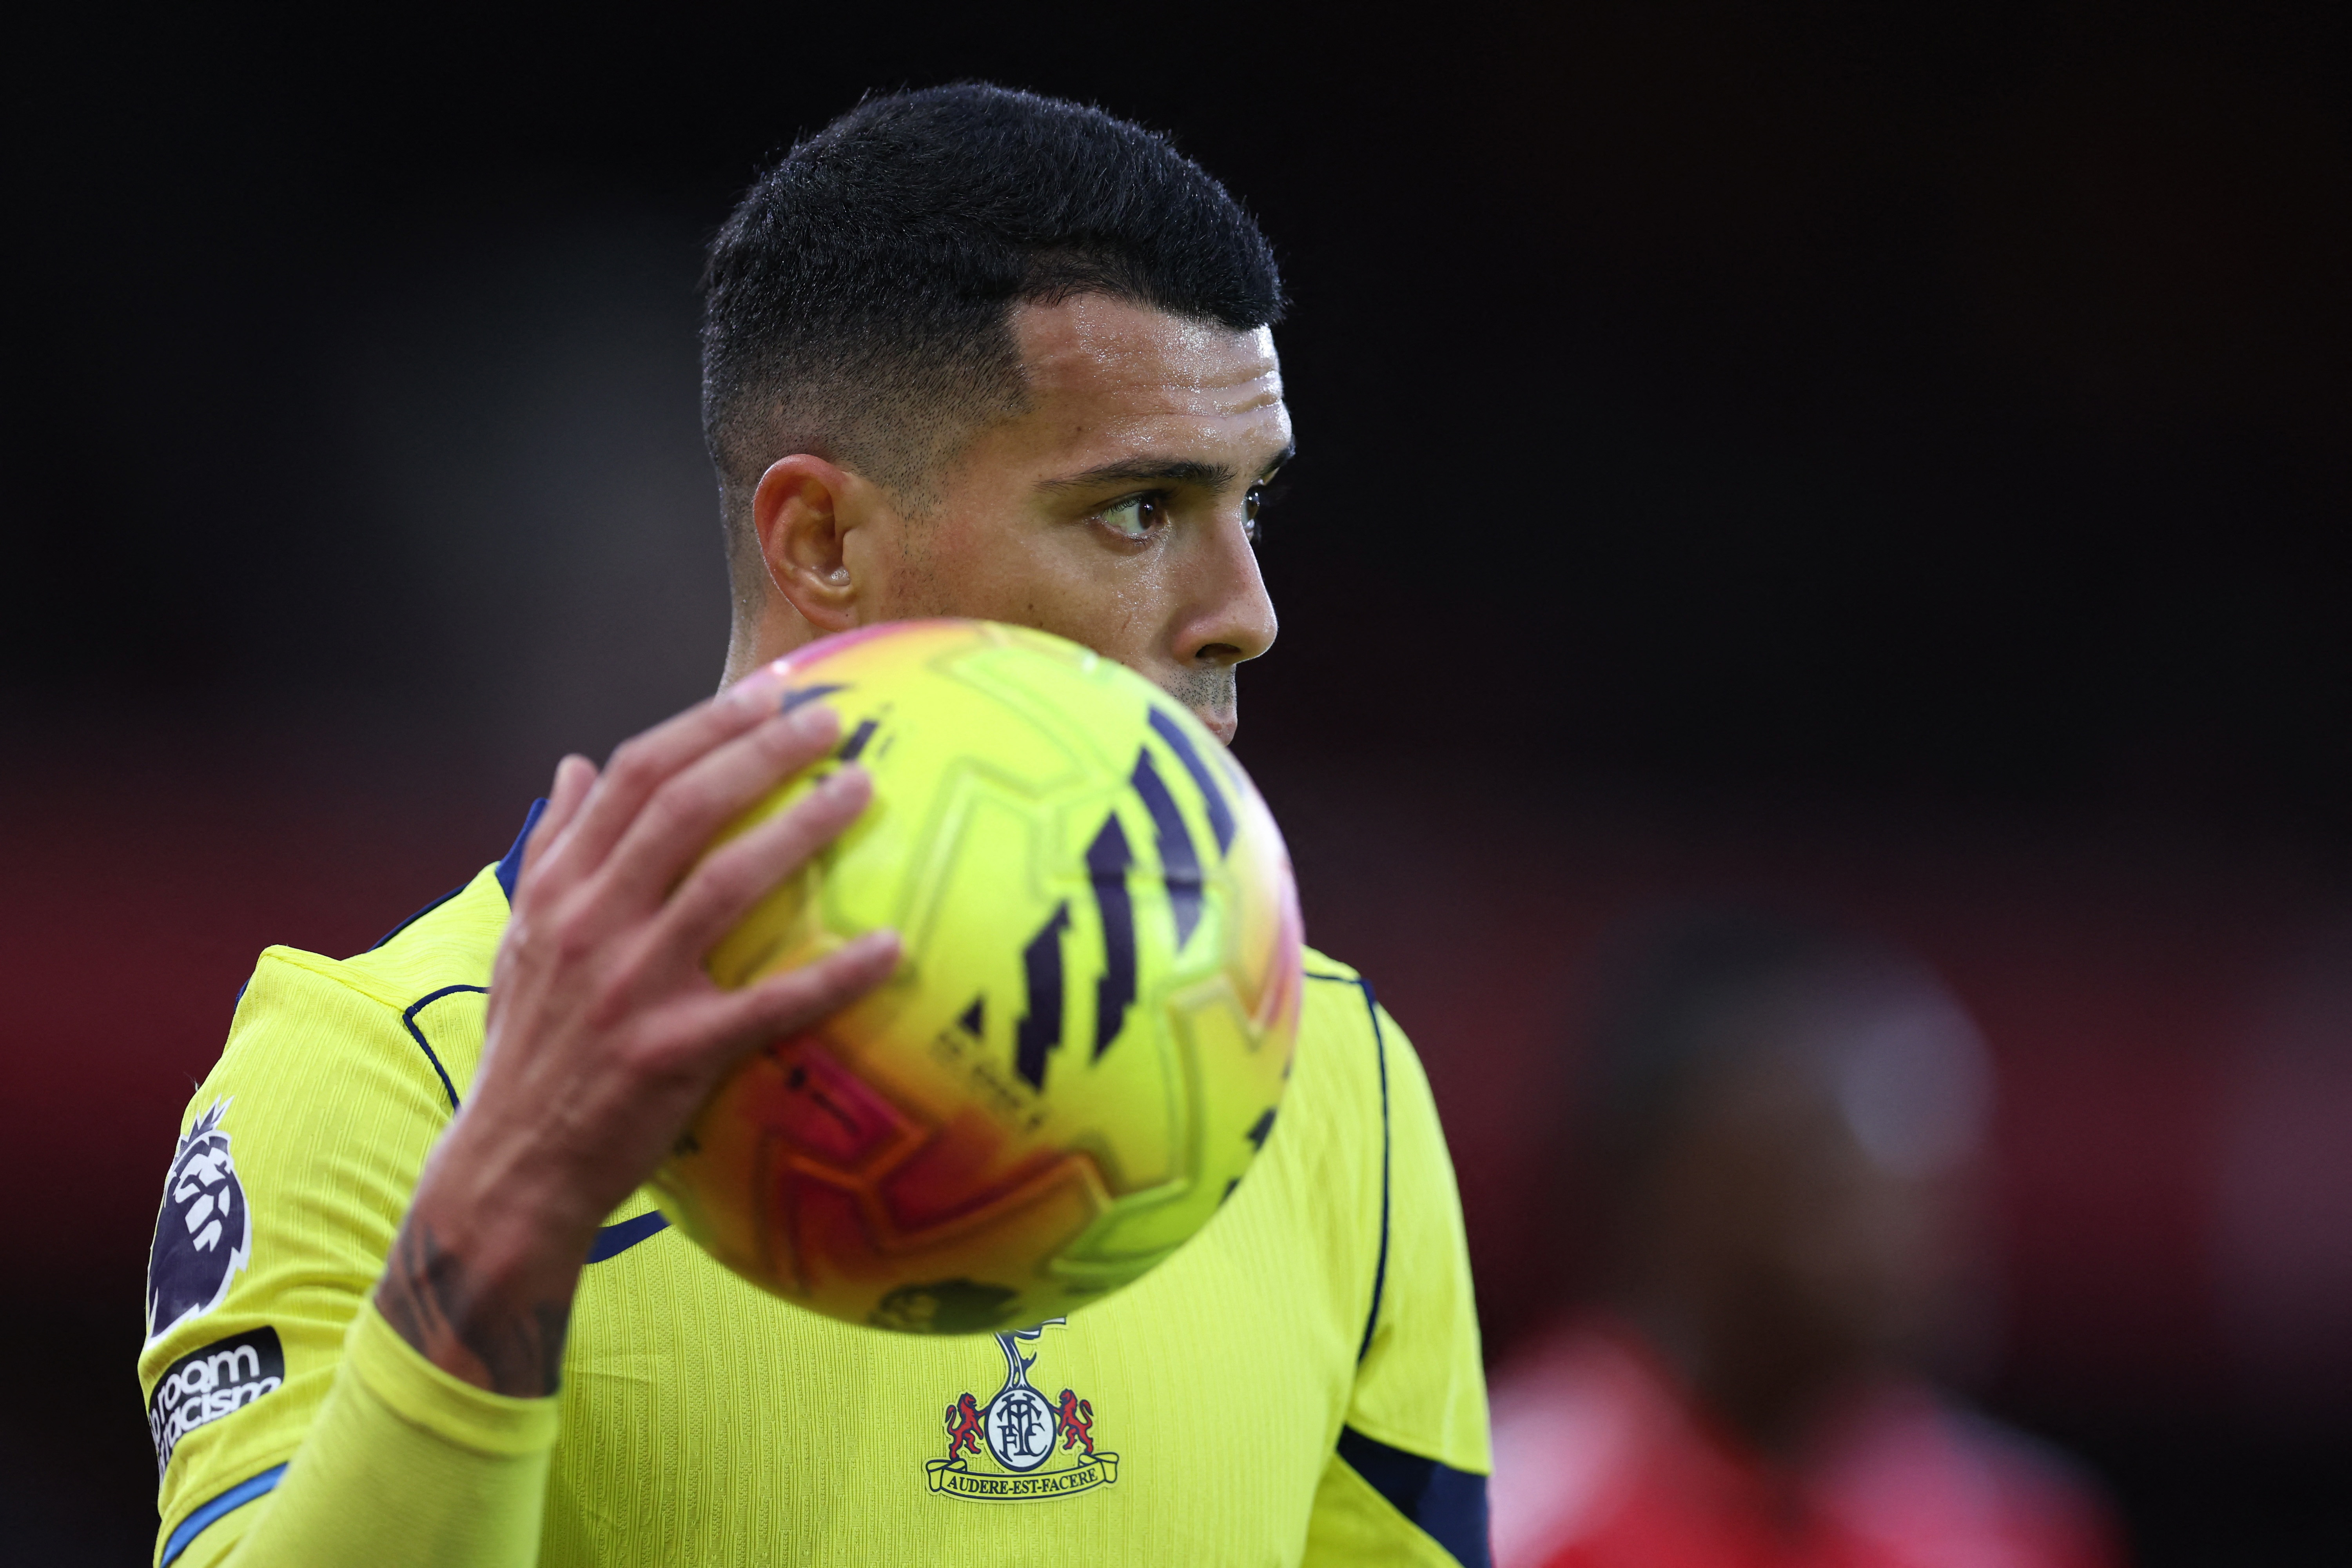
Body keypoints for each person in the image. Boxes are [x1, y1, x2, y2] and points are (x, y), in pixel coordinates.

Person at [137, 86, 1489, 1568]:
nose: (1249, 613)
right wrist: (507, 1214)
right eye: (1139, 509)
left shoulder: (1335, 1081)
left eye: (1251, 507)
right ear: (823, 541)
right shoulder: (384, 1080)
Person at [1485, 911, 2120, 1568]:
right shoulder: (1503, 1522)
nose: (1933, 1218)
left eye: (1951, 1169)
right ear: (1689, 1183)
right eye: (1860, 1150)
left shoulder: (2014, 1526)